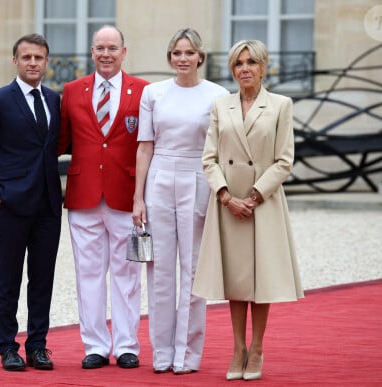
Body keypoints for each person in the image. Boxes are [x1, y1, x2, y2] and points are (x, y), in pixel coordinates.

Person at [192, 39, 304, 381]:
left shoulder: (281, 104)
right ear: (231, 69)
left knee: (262, 277)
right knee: (237, 279)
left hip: (263, 202)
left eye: (251, 62)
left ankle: (257, 347)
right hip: (228, 202)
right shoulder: (220, 105)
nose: (245, 68)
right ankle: (238, 347)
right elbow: (208, 158)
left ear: (263, 66)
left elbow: (284, 160)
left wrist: (254, 196)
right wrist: (227, 196)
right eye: (239, 63)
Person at [132, 28, 229, 375]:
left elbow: (222, 150)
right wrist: (137, 198)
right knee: (159, 270)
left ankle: (186, 355)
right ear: (170, 57)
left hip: (198, 175)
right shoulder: (153, 93)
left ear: (200, 56)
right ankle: (161, 352)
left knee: (192, 270)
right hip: (159, 176)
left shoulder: (218, 95)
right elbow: (144, 145)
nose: (183, 58)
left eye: (189, 52)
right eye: (176, 52)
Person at [0, 33, 62, 372]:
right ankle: (7, 346)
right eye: (27, 58)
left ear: (46, 62)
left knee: (43, 279)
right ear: (15, 61)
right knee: (8, 279)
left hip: (48, 205)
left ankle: (38, 346)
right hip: (10, 205)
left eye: (39, 58)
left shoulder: (54, 100)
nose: (33, 63)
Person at [58, 25, 149, 370]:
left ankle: (127, 345)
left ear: (124, 52)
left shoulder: (143, 91)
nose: (106, 54)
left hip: (126, 196)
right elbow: (61, 142)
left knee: (127, 274)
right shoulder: (72, 90)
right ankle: (95, 345)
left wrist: (145, 195)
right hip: (83, 197)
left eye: (113, 48)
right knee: (88, 274)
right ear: (92, 52)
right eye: (100, 48)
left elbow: (148, 144)